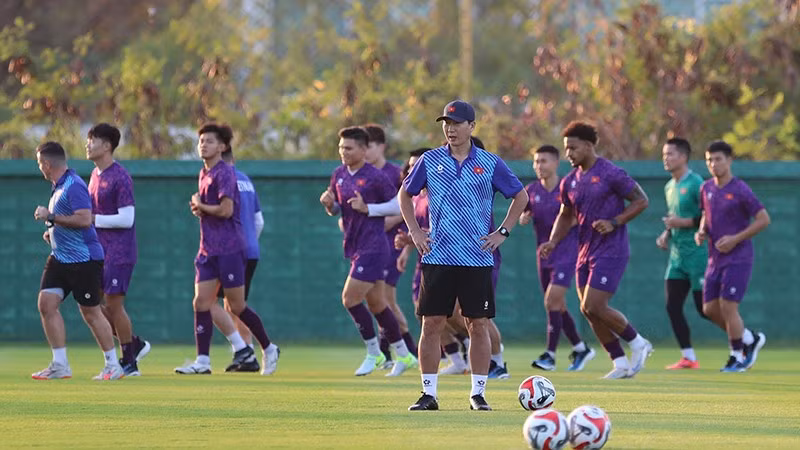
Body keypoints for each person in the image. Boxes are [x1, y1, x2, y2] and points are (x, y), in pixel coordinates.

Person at [399, 100, 528, 411]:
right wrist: (416, 231)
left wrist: (503, 233)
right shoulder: (430, 160)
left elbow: (521, 196)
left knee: (477, 324)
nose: (450, 128)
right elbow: (405, 194)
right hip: (438, 256)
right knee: (431, 324)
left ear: (472, 126)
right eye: (446, 123)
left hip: (477, 259)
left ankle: (478, 394)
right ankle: (429, 394)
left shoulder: (490, 162)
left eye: (457, 123)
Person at [539, 121, 652, 379]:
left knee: (595, 304)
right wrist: (553, 241)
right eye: (566, 149)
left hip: (612, 249)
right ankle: (620, 362)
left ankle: (638, 342)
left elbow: (641, 200)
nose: (568, 154)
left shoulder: (611, 173)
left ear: (589, 146)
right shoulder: (570, 182)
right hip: (584, 251)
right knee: (587, 309)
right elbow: (565, 216)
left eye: (573, 148)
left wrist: (615, 222)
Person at [175, 124, 279, 376]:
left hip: (230, 249)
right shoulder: (203, 173)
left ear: (222, 146)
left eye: (209, 141)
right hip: (208, 249)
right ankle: (203, 361)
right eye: (201, 140)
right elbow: (211, 210)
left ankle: (268, 347)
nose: (203, 144)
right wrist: (199, 207)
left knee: (237, 306)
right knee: (201, 302)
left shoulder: (226, 173)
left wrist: (201, 205)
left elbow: (226, 210)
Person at [319, 126, 417, 377]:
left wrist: (368, 208)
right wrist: (330, 206)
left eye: (349, 148)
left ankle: (374, 353)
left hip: (374, 246)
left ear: (364, 149)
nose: (343, 152)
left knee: (349, 299)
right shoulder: (338, 174)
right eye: (341, 147)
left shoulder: (376, 176)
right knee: (377, 303)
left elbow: (398, 204)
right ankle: (404, 355)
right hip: (354, 245)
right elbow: (338, 209)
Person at [32, 141, 124, 381]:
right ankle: (60, 364)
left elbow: (84, 220)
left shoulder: (74, 185)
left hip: (84, 259)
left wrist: (50, 216)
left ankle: (113, 365)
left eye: (39, 162)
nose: (39, 167)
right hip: (60, 258)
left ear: (48, 163)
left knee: (91, 312)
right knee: (46, 303)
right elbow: (67, 221)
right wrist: (52, 232)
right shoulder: (58, 186)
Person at [696, 140, 768, 372]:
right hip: (714, 259)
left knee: (728, 306)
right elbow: (706, 215)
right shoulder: (706, 188)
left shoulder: (740, 189)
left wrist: (735, 238)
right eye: (709, 160)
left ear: (729, 161)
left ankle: (736, 356)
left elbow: (763, 219)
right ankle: (748, 338)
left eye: (718, 159)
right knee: (708, 309)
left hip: (739, 257)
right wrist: (701, 231)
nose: (713, 164)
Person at [522, 145, 594, 372]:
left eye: (543, 161)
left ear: (555, 163)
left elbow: (579, 216)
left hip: (567, 252)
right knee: (557, 305)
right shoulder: (531, 191)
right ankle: (581, 348)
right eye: (536, 162)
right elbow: (522, 209)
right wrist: (524, 215)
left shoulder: (567, 188)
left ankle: (550, 355)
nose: (539, 166)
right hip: (543, 255)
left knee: (552, 300)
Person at [86, 123, 150, 376]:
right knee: (90, 303)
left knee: (113, 305)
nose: (88, 144)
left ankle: (129, 362)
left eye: (93, 140)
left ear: (107, 146)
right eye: (88, 139)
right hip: (98, 251)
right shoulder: (94, 176)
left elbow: (127, 219)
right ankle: (134, 344)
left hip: (119, 252)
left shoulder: (120, 176)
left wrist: (94, 220)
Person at [209, 147, 276, 373]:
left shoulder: (221, 180)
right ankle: (247, 353)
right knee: (234, 305)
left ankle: (250, 349)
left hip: (230, 250)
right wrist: (250, 243)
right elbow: (259, 222)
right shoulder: (246, 180)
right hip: (250, 250)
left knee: (206, 300)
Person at [362, 124, 418, 368]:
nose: (365, 151)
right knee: (375, 299)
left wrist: (384, 222)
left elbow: (410, 205)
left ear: (381, 146)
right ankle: (389, 353)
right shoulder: (359, 174)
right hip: (367, 247)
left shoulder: (396, 174)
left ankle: (408, 353)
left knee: (386, 300)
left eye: (369, 146)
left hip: (392, 244)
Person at [657, 138, 713, 369]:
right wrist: (666, 234)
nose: (666, 158)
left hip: (697, 254)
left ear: (683, 157)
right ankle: (688, 356)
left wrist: (681, 222)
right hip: (677, 256)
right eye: (664, 154)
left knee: (705, 309)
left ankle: (747, 338)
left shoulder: (696, 183)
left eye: (670, 154)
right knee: (672, 306)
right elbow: (674, 218)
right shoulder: (669, 186)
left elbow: (707, 216)